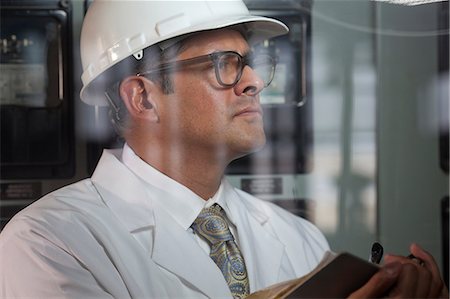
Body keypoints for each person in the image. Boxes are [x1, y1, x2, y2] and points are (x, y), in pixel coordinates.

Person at [0, 1, 448, 298]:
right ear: (144, 97)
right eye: (225, 65)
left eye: (250, 62)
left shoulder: (297, 237)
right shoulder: (47, 243)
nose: (253, 81)